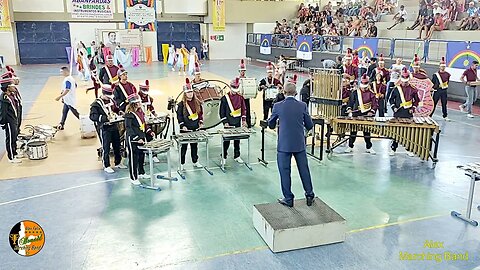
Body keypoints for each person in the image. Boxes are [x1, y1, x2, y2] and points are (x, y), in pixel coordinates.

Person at [267, 82, 315, 208]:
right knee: (304, 170)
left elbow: (270, 124)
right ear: (296, 93)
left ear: (284, 92)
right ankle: (309, 195)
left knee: (285, 172)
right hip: (299, 144)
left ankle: (288, 198)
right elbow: (310, 125)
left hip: (284, 145)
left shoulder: (277, 106)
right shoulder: (302, 105)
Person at [89, 84, 126, 174]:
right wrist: (104, 118)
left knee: (117, 145)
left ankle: (118, 162)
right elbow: (92, 116)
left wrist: (120, 112)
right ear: (103, 94)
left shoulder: (111, 100)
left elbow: (115, 109)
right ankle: (106, 165)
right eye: (108, 96)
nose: (109, 98)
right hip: (104, 128)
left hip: (114, 126)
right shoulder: (96, 104)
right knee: (106, 147)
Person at [389, 68, 420, 156]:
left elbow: (417, 101)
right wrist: (393, 107)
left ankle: (408, 149)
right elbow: (391, 99)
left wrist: (413, 108)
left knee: (408, 132)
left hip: (408, 112)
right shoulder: (396, 89)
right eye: (403, 82)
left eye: (406, 82)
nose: (404, 83)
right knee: (396, 132)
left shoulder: (413, 89)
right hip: (398, 112)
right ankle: (393, 148)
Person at [344, 74, 378, 154]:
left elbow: (375, 105)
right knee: (353, 132)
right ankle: (350, 146)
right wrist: (349, 109)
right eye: (363, 86)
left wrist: (371, 112)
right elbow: (350, 102)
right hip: (356, 114)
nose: (364, 88)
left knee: (367, 132)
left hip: (366, 115)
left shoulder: (371, 93)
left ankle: (369, 147)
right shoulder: (355, 92)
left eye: (365, 86)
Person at [177, 78, 204, 171]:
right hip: (185, 129)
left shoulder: (197, 103)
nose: (190, 94)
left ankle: (195, 161)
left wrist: (200, 122)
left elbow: (200, 114)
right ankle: (182, 163)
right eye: (188, 93)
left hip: (195, 127)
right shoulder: (181, 105)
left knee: (194, 146)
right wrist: (182, 126)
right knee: (184, 146)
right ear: (185, 94)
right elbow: (179, 116)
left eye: (191, 92)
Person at [219, 78, 247, 164]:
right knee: (226, 140)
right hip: (228, 122)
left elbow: (243, 109)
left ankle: (237, 155)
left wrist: (243, 120)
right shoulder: (224, 98)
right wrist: (225, 122)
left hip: (237, 121)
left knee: (237, 140)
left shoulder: (240, 98)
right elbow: (221, 112)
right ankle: (223, 156)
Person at [124, 94, 147, 185]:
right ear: (133, 104)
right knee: (134, 158)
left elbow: (143, 124)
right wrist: (136, 138)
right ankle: (133, 177)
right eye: (138, 102)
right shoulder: (129, 115)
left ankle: (141, 172)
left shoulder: (140, 112)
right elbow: (128, 128)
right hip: (133, 139)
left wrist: (148, 131)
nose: (140, 103)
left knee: (141, 156)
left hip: (141, 137)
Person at [0, 77, 22, 163]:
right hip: (9, 122)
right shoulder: (4, 98)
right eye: (12, 86)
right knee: (10, 138)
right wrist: (3, 123)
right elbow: (3, 112)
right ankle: (11, 157)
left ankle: (15, 152)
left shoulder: (11, 95)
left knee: (15, 136)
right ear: (8, 87)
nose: (14, 87)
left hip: (14, 119)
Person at [237, 59, 253, 128]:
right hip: (239, 99)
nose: (243, 72)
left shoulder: (247, 79)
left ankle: (248, 125)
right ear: (239, 71)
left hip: (246, 98)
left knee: (247, 111)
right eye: (241, 71)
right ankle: (238, 125)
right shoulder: (236, 80)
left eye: (244, 71)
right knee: (238, 112)